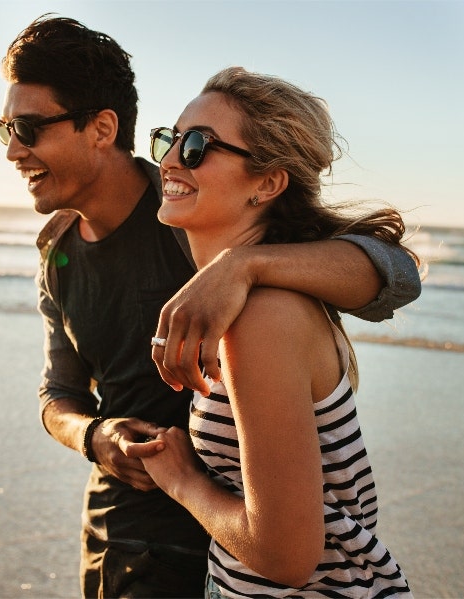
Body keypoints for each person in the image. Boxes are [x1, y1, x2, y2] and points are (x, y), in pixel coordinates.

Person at [0, 15, 421, 597]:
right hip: (122, 535)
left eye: (28, 127)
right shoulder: (57, 253)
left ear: (101, 128)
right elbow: (57, 393)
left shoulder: (197, 217)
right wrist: (96, 436)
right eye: (6, 129)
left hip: (218, 548)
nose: (13, 149)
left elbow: (396, 275)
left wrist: (243, 267)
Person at [137, 67, 412, 597]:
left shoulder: (262, 317)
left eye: (196, 145)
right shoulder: (251, 299)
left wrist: (182, 480)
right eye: (169, 139)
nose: (170, 160)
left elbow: (286, 556)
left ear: (267, 182)